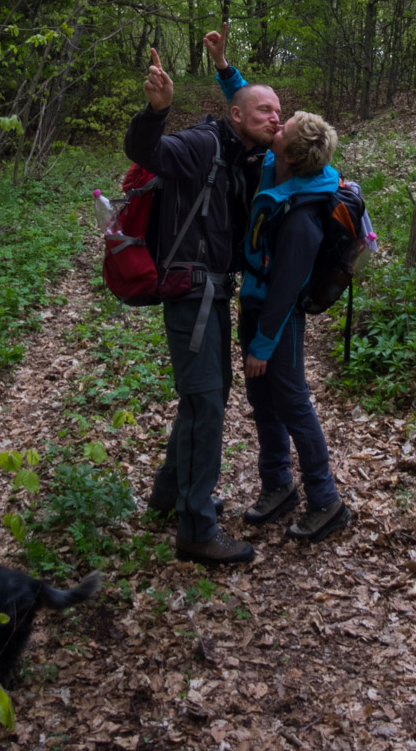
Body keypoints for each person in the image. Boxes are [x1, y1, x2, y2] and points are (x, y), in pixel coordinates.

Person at [124, 43, 281, 566]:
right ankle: (195, 528)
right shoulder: (199, 143)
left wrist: (227, 68)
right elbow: (148, 152)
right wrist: (156, 112)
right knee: (207, 400)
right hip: (191, 292)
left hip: (215, 292)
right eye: (265, 111)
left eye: (278, 112)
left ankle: (170, 493)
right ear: (237, 115)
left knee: (204, 397)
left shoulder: (244, 157)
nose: (274, 118)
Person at [237, 106, 352, 545]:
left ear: (289, 154)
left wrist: (264, 343)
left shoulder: (303, 215)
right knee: (262, 398)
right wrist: (225, 68)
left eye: (281, 128)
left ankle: (327, 502)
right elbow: (251, 111)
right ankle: (278, 485)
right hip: (254, 305)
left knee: (292, 402)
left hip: (277, 319)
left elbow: (287, 289)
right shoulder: (278, 169)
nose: (275, 125)